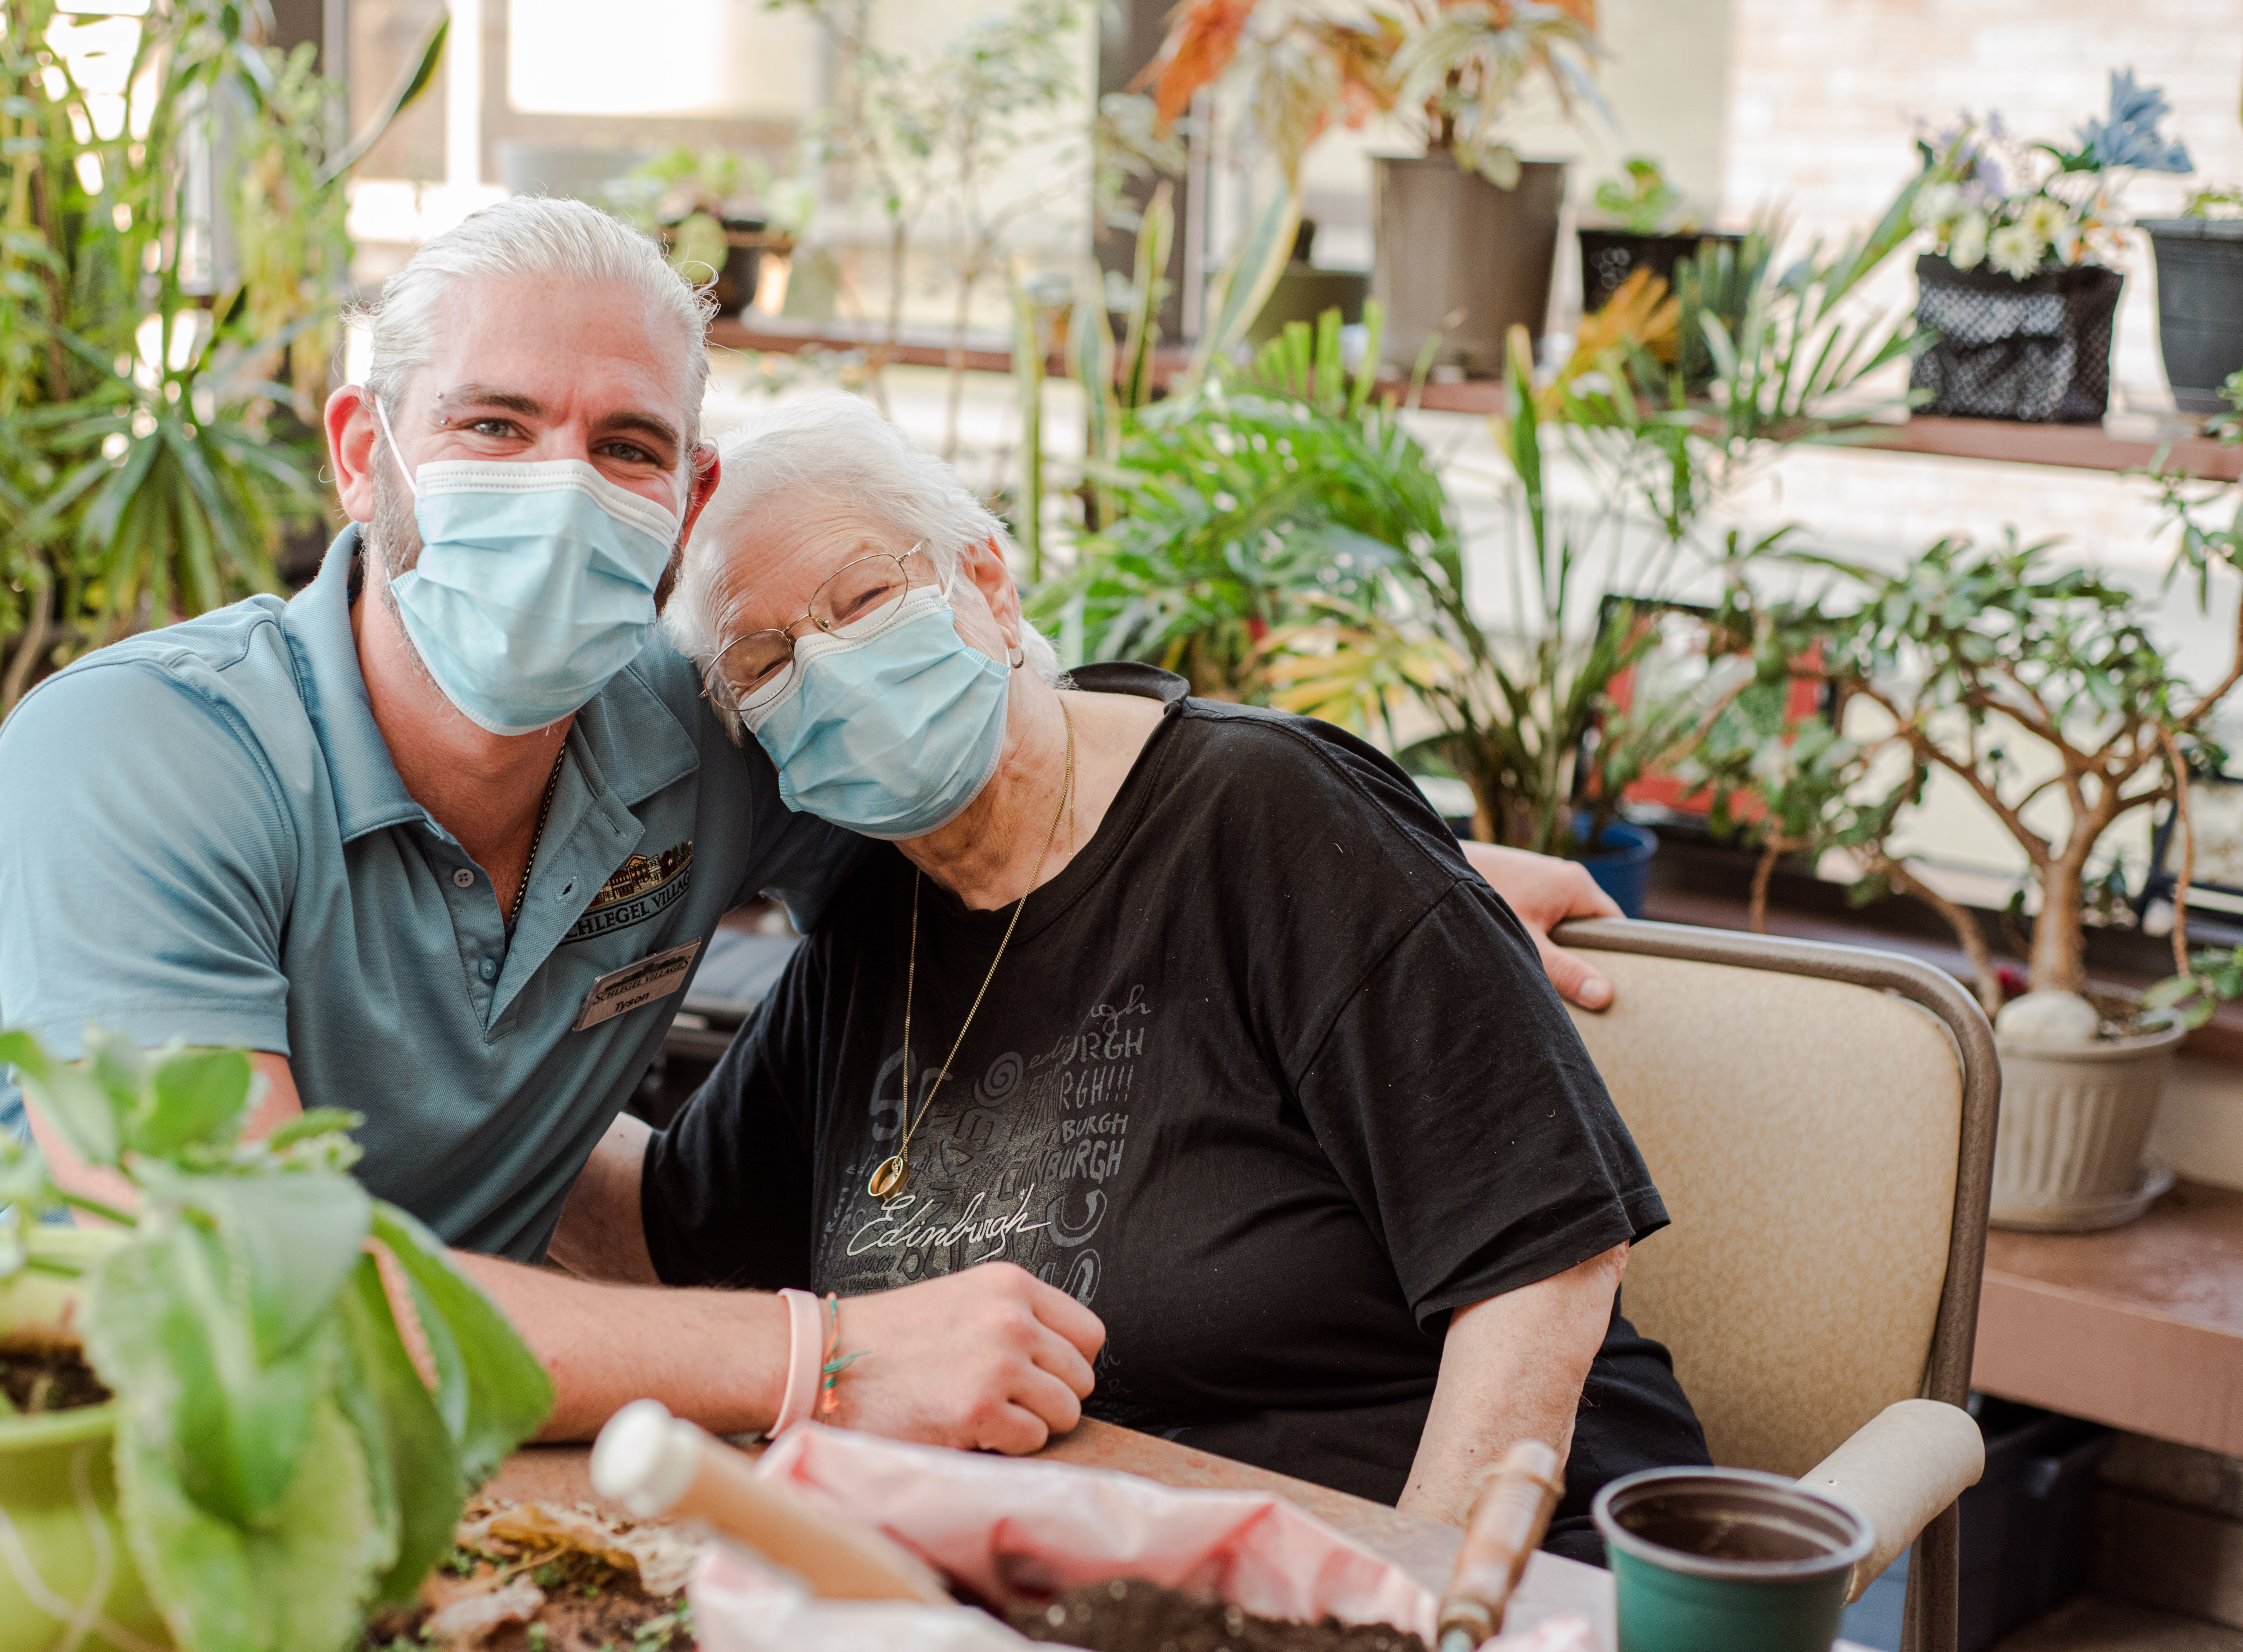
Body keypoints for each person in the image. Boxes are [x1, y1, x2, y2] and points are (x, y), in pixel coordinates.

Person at [0, 197, 1626, 1455]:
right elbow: (259, 1288)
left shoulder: (715, 737)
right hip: (84, 1452)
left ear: (684, 500)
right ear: (366, 453)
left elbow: (1021, 807)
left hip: (473, 1450)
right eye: (494, 428)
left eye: (628, 444)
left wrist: (1392, 867)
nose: (560, 488)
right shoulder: (139, 759)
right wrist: (832, 1354)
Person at [568, 396, 1705, 1557]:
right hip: (1091, 1580)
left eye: (861, 601)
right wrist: (433, 1111)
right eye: (766, 662)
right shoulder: (878, 920)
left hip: (1460, 1562)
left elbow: (1545, 1263)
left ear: (988, 585)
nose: (831, 669)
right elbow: (670, 1233)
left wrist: (1404, 1608)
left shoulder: (1269, 817)